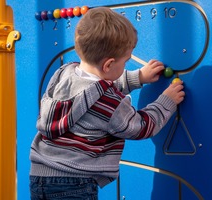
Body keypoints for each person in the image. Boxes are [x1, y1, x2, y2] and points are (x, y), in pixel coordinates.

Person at [29, 7, 185, 200]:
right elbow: (140, 127)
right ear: (109, 65)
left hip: (39, 177)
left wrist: (138, 78)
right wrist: (166, 101)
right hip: (75, 182)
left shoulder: (64, 73)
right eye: (126, 61)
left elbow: (92, 92)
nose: (126, 65)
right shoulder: (108, 102)